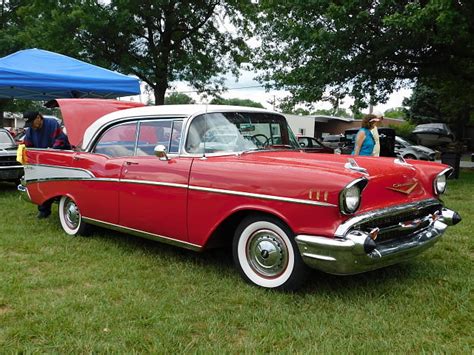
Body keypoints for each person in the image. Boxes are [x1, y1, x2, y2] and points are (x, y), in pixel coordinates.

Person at [23, 111, 71, 218]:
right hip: (41, 162)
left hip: (59, 160)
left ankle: (64, 206)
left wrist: (51, 151)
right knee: (41, 185)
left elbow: (61, 139)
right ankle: (43, 211)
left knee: (59, 185)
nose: (32, 126)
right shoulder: (30, 130)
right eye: (29, 124)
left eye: (32, 123)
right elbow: (28, 144)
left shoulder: (52, 123)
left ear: (38, 118)